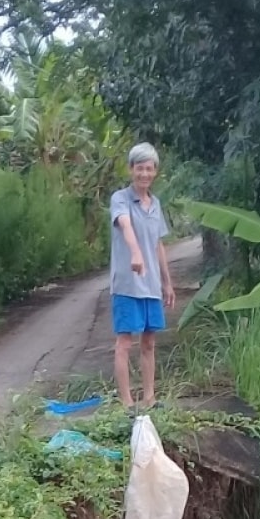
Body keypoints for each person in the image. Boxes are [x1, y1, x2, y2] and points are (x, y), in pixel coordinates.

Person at [110, 142, 175, 412]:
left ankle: (149, 398)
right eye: (140, 168)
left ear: (155, 172)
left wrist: (167, 282)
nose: (144, 174)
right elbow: (125, 225)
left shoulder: (155, 203)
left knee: (149, 341)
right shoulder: (121, 198)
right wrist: (135, 253)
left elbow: (158, 244)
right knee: (125, 342)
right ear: (131, 169)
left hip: (150, 286)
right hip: (127, 283)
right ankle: (127, 403)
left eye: (149, 169)